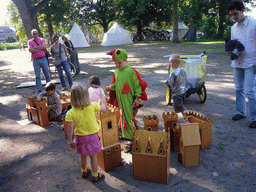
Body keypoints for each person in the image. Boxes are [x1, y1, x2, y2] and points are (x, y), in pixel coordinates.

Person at [105, 48, 147, 152]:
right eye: (115, 63)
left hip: (128, 100)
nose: (117, 65)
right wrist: (110, 87)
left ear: (126, 60)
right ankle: (127, 136)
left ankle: (133, 138)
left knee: (129, 118)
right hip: (121, 101)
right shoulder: (117, 72)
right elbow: (117, 84)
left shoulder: (130, 71)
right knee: (123, 117)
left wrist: (137, 98)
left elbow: (136, 85)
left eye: (119, 62)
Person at [65, 83, 104, 182]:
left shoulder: (71, 113)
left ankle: (84, 171)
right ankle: (95, 175)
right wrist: (102, 101)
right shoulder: (93, 106)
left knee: (82, 155)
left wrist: (70, 140)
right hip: (93, 136)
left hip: (80, 137)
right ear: (86, 95)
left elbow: (70, 128)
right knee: (93, 156)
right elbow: (102, 108)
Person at [227, 1, 256, 128]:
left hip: (251, 62)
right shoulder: (233, 28)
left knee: (249, 91)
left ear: (242, 10)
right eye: (231, 15)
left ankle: (255, 117)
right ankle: (240, 112)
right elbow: (234, 44)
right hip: (237, 63)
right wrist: (231, 52)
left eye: (235, 14)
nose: (233, 17)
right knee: (239, 89)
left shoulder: (254, 24)